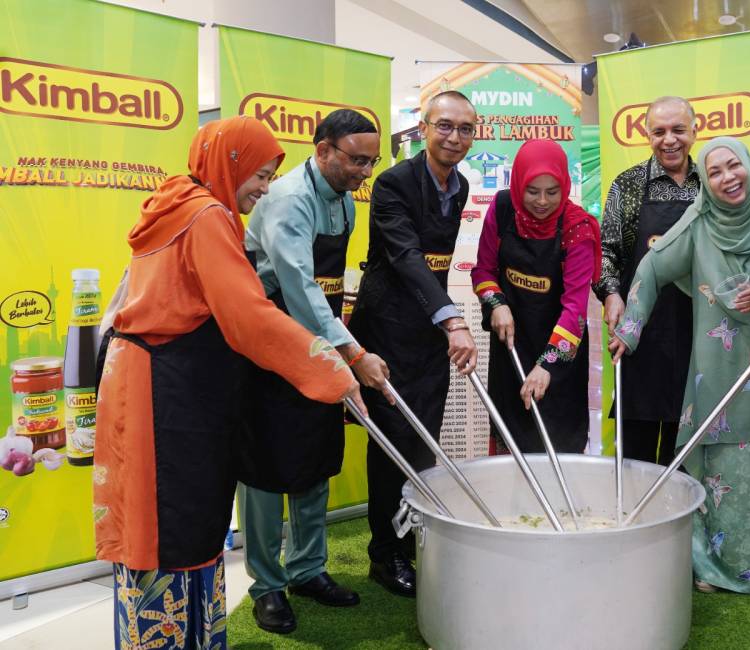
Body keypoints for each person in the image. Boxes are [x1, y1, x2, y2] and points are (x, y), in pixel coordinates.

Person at [93, 116, 360, 649]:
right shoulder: (206, 215)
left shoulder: (176, 202)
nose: (265, 188)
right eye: (259, 174)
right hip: (167, 396)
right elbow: (248, 316)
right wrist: (333, 372)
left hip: (155, 385)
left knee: (184, 519)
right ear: (229, 163)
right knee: (173, 524)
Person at [610, 137, 750, 595]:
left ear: (748, 164)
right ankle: (721, 567)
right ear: (705, 181)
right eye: (716, 172)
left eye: (733, 166)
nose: (727, 178)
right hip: (722, 369)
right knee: (725, 467)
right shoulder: (700, 223)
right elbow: (650, 267)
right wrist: (629, 330)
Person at [237, 109, 393, 634]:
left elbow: (327, 289)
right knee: (263, 471)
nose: (363, 172)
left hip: (315, 348)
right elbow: (300, 290)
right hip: (268, 347)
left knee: (314, 458)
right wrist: (352, 354)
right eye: (355, 159)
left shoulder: (344, 199)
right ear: (323, 149)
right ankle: (267, 585)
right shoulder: (288, 200)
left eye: (371, 161)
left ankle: (307, 569)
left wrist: (338, 346)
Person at [349, 90, 478, 597]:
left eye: (465, 129)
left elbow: (435, 266)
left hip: (426, 330)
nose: (454, 137)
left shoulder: (461, 185)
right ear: (423, 128)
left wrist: (441, 322)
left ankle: (413, 537)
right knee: (391, 442)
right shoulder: (393, 182)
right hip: (385, 330)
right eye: (444, 126)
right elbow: (404, 257)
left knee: (425, 439)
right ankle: (385, 554)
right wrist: (452, 320)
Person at [471, 139, 601, 453]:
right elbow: (483, 271)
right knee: (512, 441)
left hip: (559, 351)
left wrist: (547, 366)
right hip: (512, 344)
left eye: (552, 192)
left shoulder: (577, 229)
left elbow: (575, 308)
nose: (542, 201)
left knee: (557, 446)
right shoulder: (503, 209)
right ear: (518, 184)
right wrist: (497, 303)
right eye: (532, 191)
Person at [595, 96, 698, 466]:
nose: (669, 140)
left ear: (694, 131)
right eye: (659, 132)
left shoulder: (709, 186)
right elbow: (605, 252)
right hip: (639, 332)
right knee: (635, 456)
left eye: (678, 130)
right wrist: (610, 295)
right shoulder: (630, 185)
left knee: (685, 452)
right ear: (647, 135)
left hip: (696, 334)